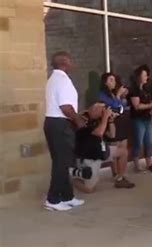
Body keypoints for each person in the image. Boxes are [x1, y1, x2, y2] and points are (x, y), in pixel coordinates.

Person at [44, 51, 85, 211]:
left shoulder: (53, 79)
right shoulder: (62, 80)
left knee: (62, 161)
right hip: (60, 124)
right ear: (64, 62)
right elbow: (65, 107)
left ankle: (67, 196)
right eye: (70, 60)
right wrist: (78, 120)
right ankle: (53, 199)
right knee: (61, 163)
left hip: (52, 123)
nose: (72, 63)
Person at [72, 102, 134, 192]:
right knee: (89, 189)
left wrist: (111, 121)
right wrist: (105, 118)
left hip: (100, 150)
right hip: (88, 155)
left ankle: (120, 179)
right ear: (94, 109)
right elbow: (99, 133)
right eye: (102, 110)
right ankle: (71, 177)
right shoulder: (82, 118)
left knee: (123, 152)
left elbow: (112, 135)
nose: (103, 112)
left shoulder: (99, 119)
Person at [98, 72, 135, 188]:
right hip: (112, 124)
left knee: (124, 148)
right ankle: (117, 176)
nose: (113, 82)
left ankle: (121, 175)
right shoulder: (102, 95)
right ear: (105, 82)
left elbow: (121, 108)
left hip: (122, 123)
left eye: (114, 80)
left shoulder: (114, 93)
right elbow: (113, 106)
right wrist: (118, 97)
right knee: (116, 149)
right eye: (110, 80)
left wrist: (121, 96)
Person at [129, 65, 152, 171]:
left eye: (146, 75)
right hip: (138, 119)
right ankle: (136, 165)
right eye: (144, 75)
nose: (146, 77)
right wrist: (151, 106)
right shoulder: (134, 89)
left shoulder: (146, 88)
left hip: (148, 118)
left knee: (148, 142)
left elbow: (150, 101)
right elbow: (137, 106)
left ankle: (149, 163)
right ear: (138, 76)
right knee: (138, 142)